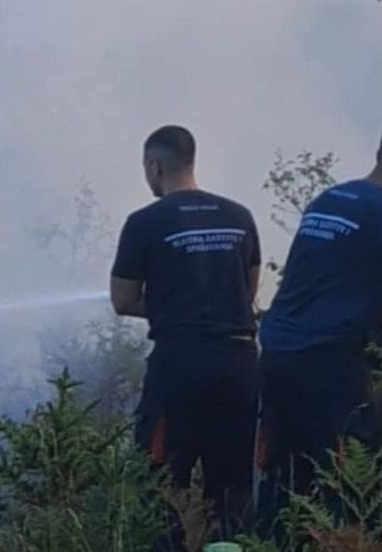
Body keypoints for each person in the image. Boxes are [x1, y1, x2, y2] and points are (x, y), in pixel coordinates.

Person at [256, 117, 382, 533]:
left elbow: (320, 278)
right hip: (328, 372)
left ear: (380, 154)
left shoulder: (328, 200)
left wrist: (367, 311)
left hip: (277, 362)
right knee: (353, 492)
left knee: (286, 488)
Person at [110, 125, 262, 541]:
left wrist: (173, 307)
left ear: (153, 165)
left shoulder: (144, 223)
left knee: (162, 483)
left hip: (180, 367)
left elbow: (123, 300)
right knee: (232, 487)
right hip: (240, 364)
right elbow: (247, 292)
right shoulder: (239, 216)